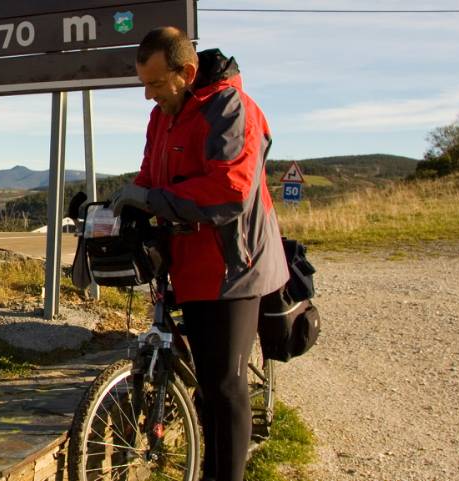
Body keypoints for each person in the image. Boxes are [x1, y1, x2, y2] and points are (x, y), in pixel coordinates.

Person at [110, 27, 289, 481]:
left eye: (155, 84)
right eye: (143, 84)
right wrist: (129, 201)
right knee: (205, 379)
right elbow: (152, 174)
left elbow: (229, 191)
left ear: (186, 72)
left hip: (234, 264)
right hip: (187, 261)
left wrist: (152, 201)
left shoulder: (232, 109)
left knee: (224, 386)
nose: (148, 96)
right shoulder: (162, 115)